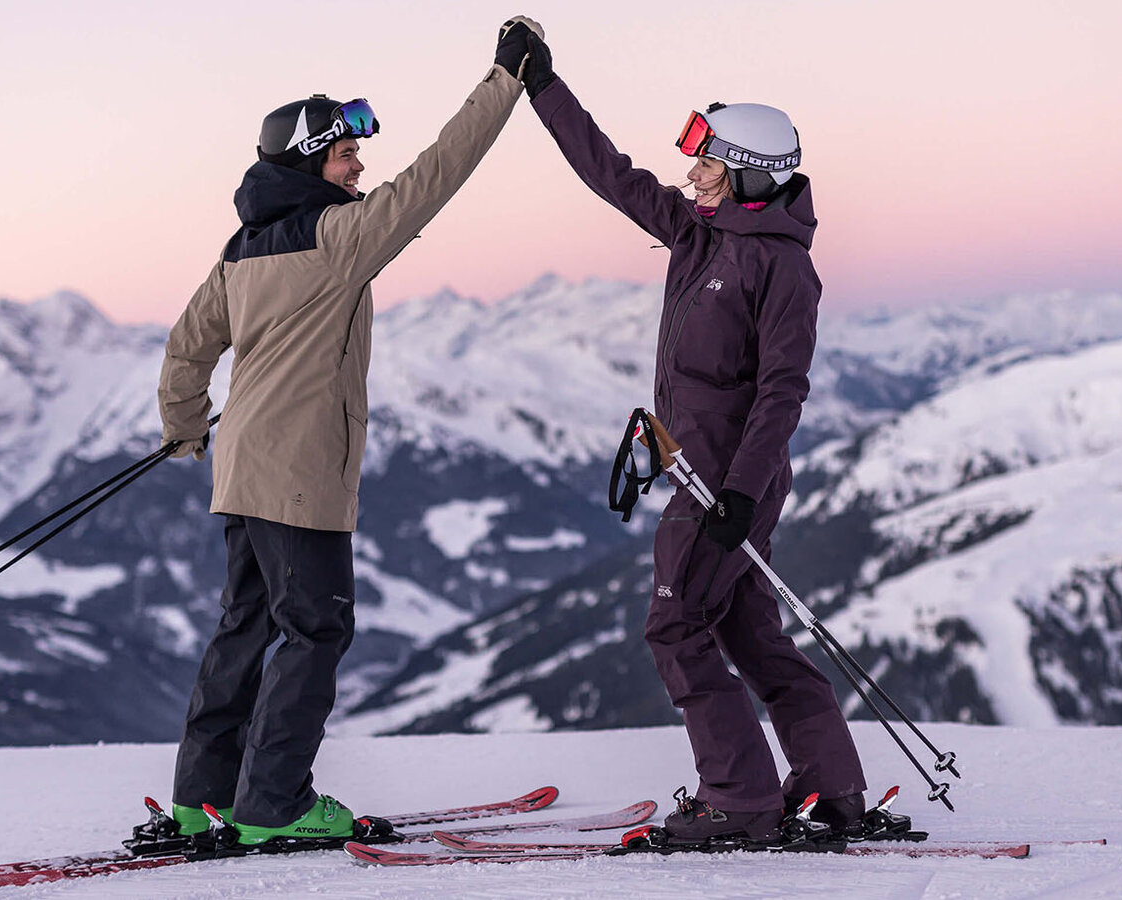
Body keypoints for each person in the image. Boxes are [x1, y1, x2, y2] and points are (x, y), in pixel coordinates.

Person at [153, 18, 545, 845]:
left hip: (243, 473)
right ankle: (276, 804)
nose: (360, 166)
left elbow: (187, 351)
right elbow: (438, 175)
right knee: (317, 628)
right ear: (308, 165)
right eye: (345, 156)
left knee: (244, 626)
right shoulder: (338, 239)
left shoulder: (239, 251)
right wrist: (504, 81)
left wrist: (187, 432)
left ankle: (202, 795)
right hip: (300, 480)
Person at [498, 28, 869, 843]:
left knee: (674, 626)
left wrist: (738, 490)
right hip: (708, 477)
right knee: (747, 630)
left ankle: (739, 798)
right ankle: (832, 789)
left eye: (709, 159)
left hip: (727, 484)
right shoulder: (698, 233)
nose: (691, 171)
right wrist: (543, 87)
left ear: (749, 174)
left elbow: (782, 390)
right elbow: (611, 174)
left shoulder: (782, 269)